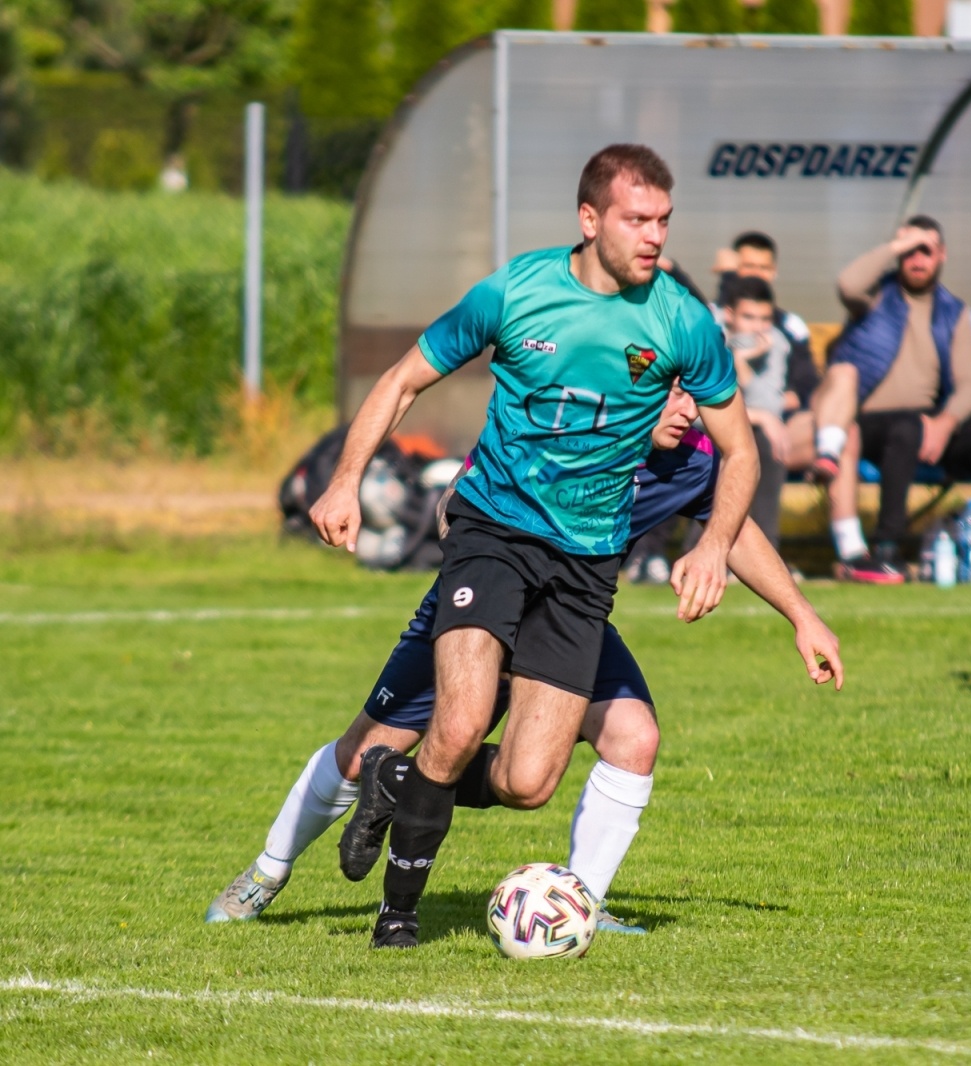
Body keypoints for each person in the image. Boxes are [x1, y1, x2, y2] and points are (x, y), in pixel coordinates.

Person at [306, 144, 759, 949]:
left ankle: (392, 778)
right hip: (494, 533)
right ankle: (397, 916)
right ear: (590, 220)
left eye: (664, 220)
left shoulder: (683, 321)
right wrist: (345, 480)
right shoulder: (517, 291)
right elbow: (402, 380)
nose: (654, 235)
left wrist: (715, 544)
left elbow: (742, 449)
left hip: (585, 568)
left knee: (526, 783)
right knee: (459, 720)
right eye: (636, 219)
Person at [207, 388, 842, 934]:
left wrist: (802, 615)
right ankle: (266, 873)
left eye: (694, 398)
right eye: (673, 394)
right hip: (478, 608)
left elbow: (733, 534)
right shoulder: (561, 430)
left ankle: (580, 906)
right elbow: (451, 511)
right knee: (355, 755)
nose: (688, 412)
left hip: (569, 617)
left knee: (633, 738)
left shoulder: (692, 461)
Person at [807, 216, 971, 582]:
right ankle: (880, 547)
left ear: (942, 255)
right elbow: (847, 284)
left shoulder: (953, 312)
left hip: (920, 421)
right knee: (885, 422)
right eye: (909, 251)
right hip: (863, 417)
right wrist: (895, 245)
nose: (917, 259)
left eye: (925, 250)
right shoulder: (876, 296)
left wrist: (945, 422)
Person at [716, 231, 821, 470]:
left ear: (774, 271)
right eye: (748, 266)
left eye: (763, 267)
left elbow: (803, 387)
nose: (755, 274)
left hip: (777, 419)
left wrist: (785, 398)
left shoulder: (782, 332)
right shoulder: (710, 324)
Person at [723, 276, 791, 548]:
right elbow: (700, 408)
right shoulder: (708, 336)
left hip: (753, 433)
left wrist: (742, 364)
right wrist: (760, 416)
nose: (758, 328)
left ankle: (766, 550)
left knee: (765, 446)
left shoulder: (776, 343)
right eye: (749, 318)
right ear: (730, 315)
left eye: (765, 319)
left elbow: (770, 405)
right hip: (701, 430)